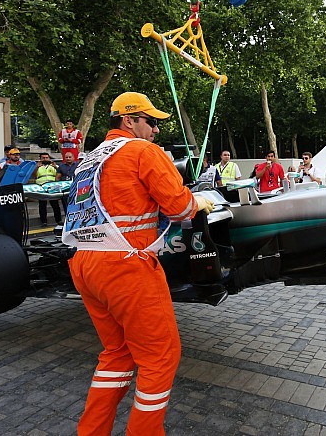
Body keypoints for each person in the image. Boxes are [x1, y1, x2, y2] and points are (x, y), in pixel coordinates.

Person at [63, 92, 214, 435]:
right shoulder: (143, 151)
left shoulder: (89, 158)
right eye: (152, 121)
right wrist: (198, 201)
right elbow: (179, 208)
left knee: (117, 354)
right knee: (160, 356)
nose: (156, 130)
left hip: (85, 264)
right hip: (126, 266)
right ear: (129, 120)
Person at [35, 152, 62, 227]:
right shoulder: (37, 166)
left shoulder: (53, 166)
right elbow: (34, 176)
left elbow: (60, 173)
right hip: (41, 186)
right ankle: (44, 222)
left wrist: (55, 167)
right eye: (43, 158)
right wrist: (36, 167)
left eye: (47, 158)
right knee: (42, 204)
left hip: (52, 186)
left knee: (55, 204)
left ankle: (58, 220)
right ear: (40, 159)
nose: (45, 159)